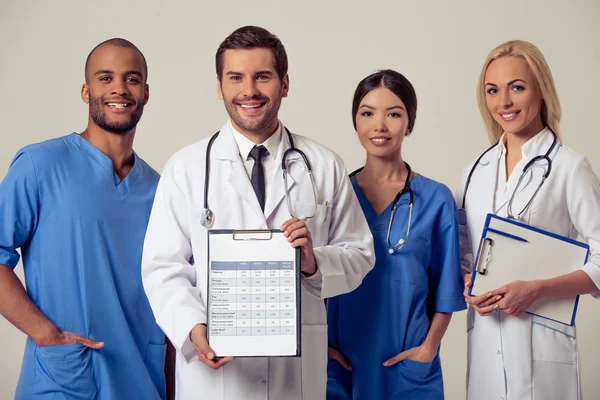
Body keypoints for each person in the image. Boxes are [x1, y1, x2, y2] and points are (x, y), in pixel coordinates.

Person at [141, 26, 375, 400]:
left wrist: (314, 263)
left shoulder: (323, 165)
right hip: (215, 378)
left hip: (293, 377)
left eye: (262, 76)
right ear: (219, 86)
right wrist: (192, 328)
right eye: (236, 77)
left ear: (284, 83)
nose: (249, 90)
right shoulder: (185, 168)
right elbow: (162, 268)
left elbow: (360, 255)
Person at [0, 39, 167, 399]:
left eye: (131, 79)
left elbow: (173, 290)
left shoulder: (161, 189)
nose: (119, 89)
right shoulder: (40, 165)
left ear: (146, 93)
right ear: (86, 90)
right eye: (105, 78)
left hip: (142, 383)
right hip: (64, 381)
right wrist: (46, 334)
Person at [457, 40, 600, 400]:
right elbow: (464, 252)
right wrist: (466, 279)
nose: (503, 102)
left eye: (516, 88)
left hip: (543, 347)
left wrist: (537, 290)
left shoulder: (570, 168)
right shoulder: (475, 171)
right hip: (486, 346)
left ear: (541, 92)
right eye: (493, 91)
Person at [326, 70, 466, 399]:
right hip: (342, 364)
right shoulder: (334, 196)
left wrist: (429, 348)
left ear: (410, 123)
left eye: (393, 114)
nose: (380, 125)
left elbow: (446, 288)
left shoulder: (435, 198)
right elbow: (310, 279)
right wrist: (321, 347)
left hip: (408, 366)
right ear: (355, 122)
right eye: (367, 113)